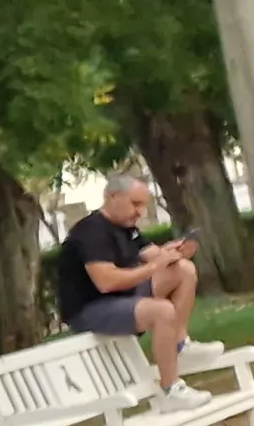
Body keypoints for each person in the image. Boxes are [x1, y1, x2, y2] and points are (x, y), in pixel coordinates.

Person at [57, 172, 214, 409]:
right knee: (161, 311)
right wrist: (154, 267)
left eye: (143, 205)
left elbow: (154, 255)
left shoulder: (127, 228)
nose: (140, 212)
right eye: (135, 204)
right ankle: (171, 391)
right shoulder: (91, 233)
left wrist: (173, 253)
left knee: (184, 270)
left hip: (121, 298)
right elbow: (106, 282)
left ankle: (180, 345)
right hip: (89, 310)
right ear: (112, 196)